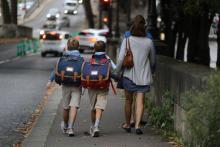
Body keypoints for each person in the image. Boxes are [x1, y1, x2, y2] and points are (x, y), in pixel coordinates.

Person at [116, 15, 156, 135]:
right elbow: (153, 60)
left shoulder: (127, 40)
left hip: (129, 75)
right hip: (143, 76)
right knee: (140, 101)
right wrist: (152, 70)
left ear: (132, 26)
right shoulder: (149, 42)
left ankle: (128, 124)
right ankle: (138, 125)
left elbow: (119, 60)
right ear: (144, 27)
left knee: (128, 100)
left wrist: (117, 71)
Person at [47, 38, 83, 137]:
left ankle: (66, 125)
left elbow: (56, 69)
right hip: (77, 85)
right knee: (74, 106)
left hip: (65, 84)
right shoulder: (81, 59)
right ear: (78, 47)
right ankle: (71, 128)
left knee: (66, 107)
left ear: (67, 46)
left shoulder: (62, 58)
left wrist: (50, 81)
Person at [87, 41, 116, 137]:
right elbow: (115, 69)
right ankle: (96, 126)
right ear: (105, 49)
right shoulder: (107, 59)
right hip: (103, 85)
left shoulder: (90, 59)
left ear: (94, 49)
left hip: (91, 85)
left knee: (93, 107)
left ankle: (92, 126)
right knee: (99, 106)